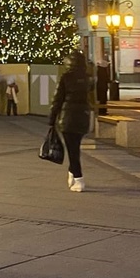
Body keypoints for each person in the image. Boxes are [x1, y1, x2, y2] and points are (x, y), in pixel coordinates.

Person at [49, 50, 94, 192]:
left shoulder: (66, 77)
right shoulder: (88, 78)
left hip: (68, 117)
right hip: (83, 116)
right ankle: (72, 174)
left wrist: (52, 118)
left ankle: (79, 179)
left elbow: (57, 99)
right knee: (74, 147)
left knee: (72, 149)